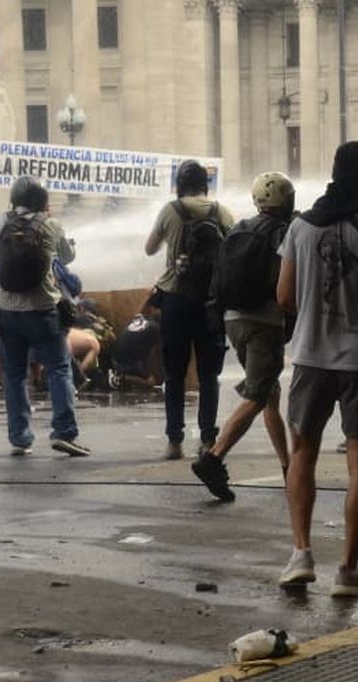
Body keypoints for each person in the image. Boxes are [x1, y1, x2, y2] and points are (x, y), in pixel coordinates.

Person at [275, 142, 358, 597]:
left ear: (334, 172)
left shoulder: (301, 227)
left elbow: (284, 297)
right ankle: (348, 570)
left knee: (302, 453)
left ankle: (300, 553)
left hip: (311, 355)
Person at [193, 172, 297, 502]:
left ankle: (288, 467)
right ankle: (213, 458)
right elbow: (285, 282)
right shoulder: (284, 232)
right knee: (257, 396)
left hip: (233, 320)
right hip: (264, 322)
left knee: (269, 393)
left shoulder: (239, 228)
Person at [0, 176, 90, 457]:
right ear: (42, 200)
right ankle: (63, 432)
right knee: (59, 369)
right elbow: (67, 257)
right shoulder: (50, 225)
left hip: (6, 312)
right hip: (42, 310)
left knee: (14, 374)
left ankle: (20, 437)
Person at [144, 159, 234, 460]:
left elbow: (149, 248)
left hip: (176, 300)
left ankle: (174, 441)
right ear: (204, 185)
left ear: (179, 185)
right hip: (210, 303)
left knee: (174, 374)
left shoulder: (170, 210)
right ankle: (208, 440)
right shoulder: (221, 212)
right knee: (209, 375)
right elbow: (234, 249)